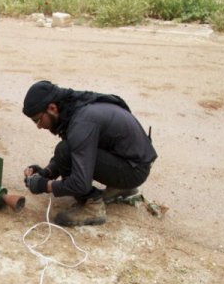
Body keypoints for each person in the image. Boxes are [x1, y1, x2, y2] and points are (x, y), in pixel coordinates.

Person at [22, 80, 157, 227]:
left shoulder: (82, 122)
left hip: (134, 170)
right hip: (131, 161)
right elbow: (78, 147)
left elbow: (79, 183)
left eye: (38, 120)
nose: (39, 126)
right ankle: (120, 187)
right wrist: (47, 172)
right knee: (65, 150)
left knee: (64, 151)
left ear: (52, 108)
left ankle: (93, 206)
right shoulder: (76, 106)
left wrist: (45, 185)